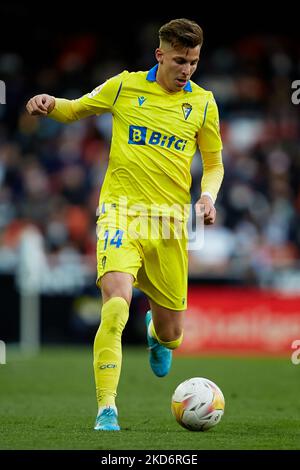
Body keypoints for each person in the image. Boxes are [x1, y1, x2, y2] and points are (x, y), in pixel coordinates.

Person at [26, 18, 224, 431]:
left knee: (173, 336)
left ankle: (156, 333)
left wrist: (208, 196)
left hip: (170, 226)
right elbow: (76, 109)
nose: (186, 69)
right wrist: (49, 102)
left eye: (193, 61)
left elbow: (214, 163)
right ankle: (107, 409)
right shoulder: (124, 86)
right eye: (179, 60)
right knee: (115, 308)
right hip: (121, 215)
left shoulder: (203, 103)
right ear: (160, 55)